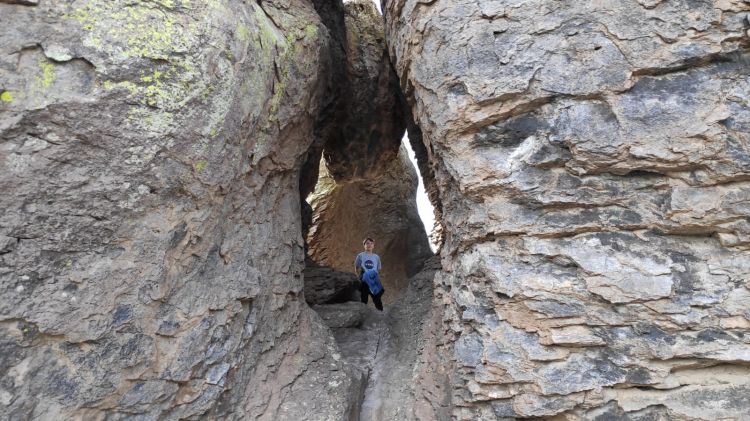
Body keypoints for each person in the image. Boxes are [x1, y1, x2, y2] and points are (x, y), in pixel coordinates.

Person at [354, 237, 384, 311]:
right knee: (363, 298)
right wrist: (359, 277)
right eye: (367, 243)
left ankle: (381, 313)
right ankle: (362, 315)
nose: (369, 245)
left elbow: (377, 269)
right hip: (364, 278)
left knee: (377, 298)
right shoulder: (360, 255)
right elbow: (356, 267)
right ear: (364, 245)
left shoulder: (376, 257)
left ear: (373, 246)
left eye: (371, 243)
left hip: (373, 278)